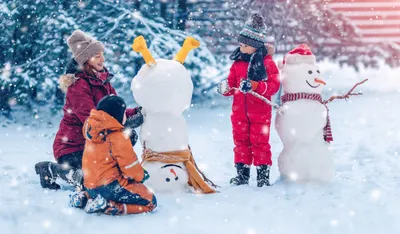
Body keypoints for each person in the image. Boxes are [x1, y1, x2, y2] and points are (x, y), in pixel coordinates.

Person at [35, 30, 143, 190]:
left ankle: (99, 169)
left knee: (127, 136)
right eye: (97, 55)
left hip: (94, 145)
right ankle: (50, 169)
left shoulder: (104, 82)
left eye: (102, 54)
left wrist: (137, 113)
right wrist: (124, 124)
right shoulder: (78, 85)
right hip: (72, 148)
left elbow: (116, 113)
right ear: (86, 59)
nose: (102, 59)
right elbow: (92, 120)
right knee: (90, 181)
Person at [217, 13, 280, 187]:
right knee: (241, 143)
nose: (242, 48)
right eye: (241, 44)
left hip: (260, 114)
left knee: (260, 143)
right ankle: (242, 175)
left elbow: (273, 86)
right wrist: (226, 88)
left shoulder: (267, 63)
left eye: (245, 45)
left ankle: (262, 176)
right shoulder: (237, 63)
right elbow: (231, 84)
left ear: (255, 46)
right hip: (239, 114)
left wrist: (255, 85)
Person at [70, 95, 156, 215]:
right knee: (150, 201)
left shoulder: (91, 131)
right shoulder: (117, 137)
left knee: (99, 186)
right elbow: (130, 166)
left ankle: (85, 198)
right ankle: (111, 206)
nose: (126, 116)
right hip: (110, 186)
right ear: (117, 117)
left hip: (90, 186)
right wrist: (140, 176)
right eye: (124, 114)